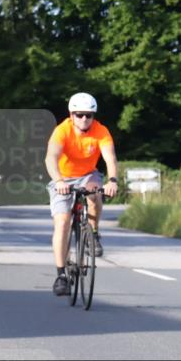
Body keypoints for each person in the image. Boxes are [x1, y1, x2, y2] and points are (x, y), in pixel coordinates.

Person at [44, 93, 119, 296]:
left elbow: (110, 158)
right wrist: (59, 181)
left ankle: (93, 234)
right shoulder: (62, 130)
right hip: (63, 178)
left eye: (89, 115)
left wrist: (112, 181)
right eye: (79, 115)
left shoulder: (101, 131)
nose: (84, 119)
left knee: (95, 192)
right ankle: (61, 275)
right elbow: (50, 158)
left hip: (88, 175)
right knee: (62, 223)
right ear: (71, 115)